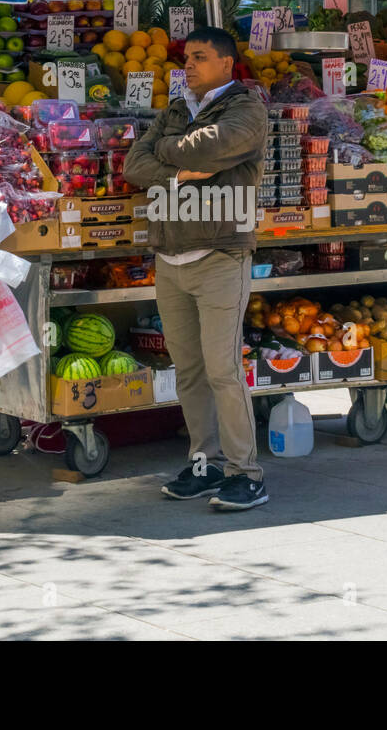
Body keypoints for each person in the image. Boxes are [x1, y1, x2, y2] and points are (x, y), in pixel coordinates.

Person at [124, 27, 270, 511]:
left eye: (201, 57)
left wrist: (170, 150)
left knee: (223, 370)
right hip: (170, 257)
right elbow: (132, 164)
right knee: (188, 370)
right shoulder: (176, 108)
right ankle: (204, 463)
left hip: (220, 256)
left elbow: (211, 147)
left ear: (228, 64)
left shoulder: (246, 109)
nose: (189, 65)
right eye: (187, 57)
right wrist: (180, 169)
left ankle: (246, 473)